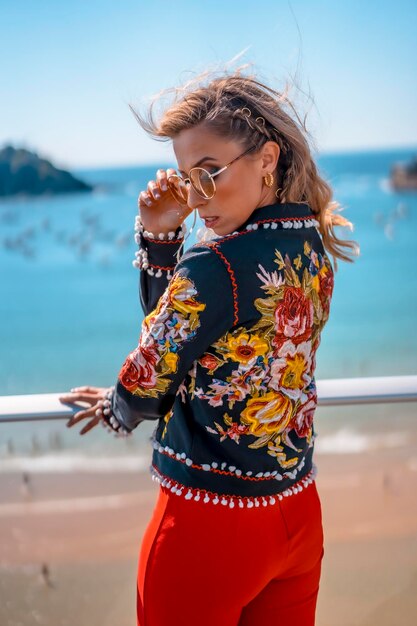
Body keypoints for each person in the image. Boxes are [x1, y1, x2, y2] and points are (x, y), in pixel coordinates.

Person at [59, 68, 359, 626]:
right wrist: (167, 235)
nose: (197, 200)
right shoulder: (312, 246)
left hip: (208, 530)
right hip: (296, 514)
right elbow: (197, 338)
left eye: (210, 173)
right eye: (185, 179)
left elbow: (151, 374)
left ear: (267, 159)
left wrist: (117, 405)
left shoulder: (215, 263)